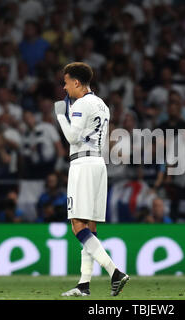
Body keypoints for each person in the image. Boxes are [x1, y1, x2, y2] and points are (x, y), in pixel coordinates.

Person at [55, 62, 129, 297]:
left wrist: (60, 115)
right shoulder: (102, 105)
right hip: (99, 164)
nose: (65, 87)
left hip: (82, 164)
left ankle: (114, 272)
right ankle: (84, 284)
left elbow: (72, 137)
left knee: (77, 224)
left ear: (76, 82)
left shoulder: (80, 104)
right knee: (91, 226)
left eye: (66, 82)